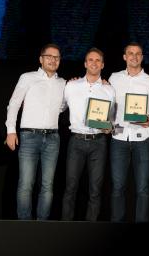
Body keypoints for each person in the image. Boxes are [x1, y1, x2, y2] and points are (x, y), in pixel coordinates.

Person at [5, 43, 66, 220]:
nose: (53, 60)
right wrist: (11, 131)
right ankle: (25, 224)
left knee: (47, 185)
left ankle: (42, 225)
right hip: (29, 136)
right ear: (41, 59)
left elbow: (62, 106)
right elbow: (14, 104)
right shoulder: (27, 77)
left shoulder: (63, 83)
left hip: (53, 138)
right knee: (26, 184)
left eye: (56, 57)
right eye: (49, 56)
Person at [61, 48, 115, 222]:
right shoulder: (71, 86)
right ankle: (65, 227)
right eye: (90, 60)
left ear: (102, 64)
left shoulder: (109, 90)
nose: (94, 63)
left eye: (97, 60)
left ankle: (90, 228)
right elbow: (60, 107)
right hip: (76, 141)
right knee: (70, 187)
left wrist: (109, 127)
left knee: (95, 189)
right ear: (85, 63)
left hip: (98, 143)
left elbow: (111, 120)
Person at [109, 42, 149, 222]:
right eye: (130, 53)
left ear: (142, 57)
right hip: (118, 138)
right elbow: (107, 106)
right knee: (117, 187)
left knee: (143, 188)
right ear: (124, 57)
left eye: (138, 53)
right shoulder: (113, 78)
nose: (134, 56)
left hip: (143, 139)